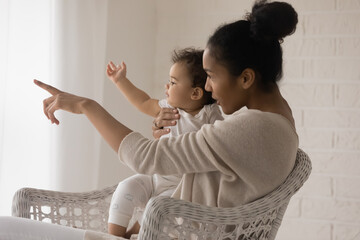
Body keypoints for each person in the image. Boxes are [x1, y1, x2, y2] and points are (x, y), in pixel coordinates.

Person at [0, 1, 299, 239]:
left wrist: (87, 105)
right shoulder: (277, 126)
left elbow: (145, 158)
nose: (207, 88)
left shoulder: (251, 129)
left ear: (246, 78)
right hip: (159, 228)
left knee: (6, 228)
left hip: (165, 230)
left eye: (210, 77)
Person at [105, 48, 223, 238]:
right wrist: (120, 80)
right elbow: (142, 102)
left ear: (195, 93)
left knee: (156, 211)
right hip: (153, 177)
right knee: (125, 187)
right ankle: (113, 237)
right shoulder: (169, 109)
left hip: (180, 190)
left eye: (173, 82)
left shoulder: (208, 115)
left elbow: (224, 139)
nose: (167, 86)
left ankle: (131, 234)